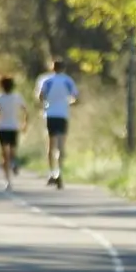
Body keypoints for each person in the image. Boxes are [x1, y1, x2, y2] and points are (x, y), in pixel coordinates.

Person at [35, 59, 78, 189]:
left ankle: (51, 172)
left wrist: (46, 104)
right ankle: (59, 172)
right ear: (63, 68)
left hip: (50, 114)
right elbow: (76, 97)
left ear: (52, 68)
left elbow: (40, 97)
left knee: (51, 144)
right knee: (61, 145)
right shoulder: (68, 81)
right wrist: (67, 103)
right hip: (63, 114)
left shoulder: (46, 80)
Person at [0, 75, 28, 191]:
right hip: (14, 126)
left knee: (4, 154)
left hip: (2, 127)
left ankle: (8, 181)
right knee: (12, 151)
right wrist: (25, 123)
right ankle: (14, 163)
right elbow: (25, 110)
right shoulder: (17, 98)